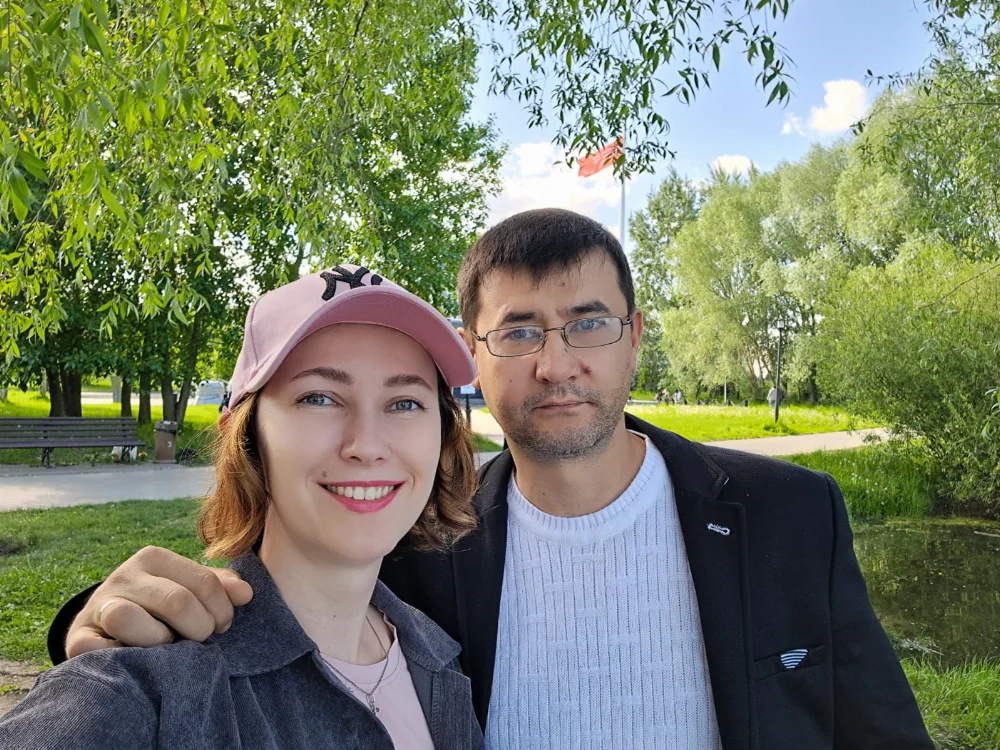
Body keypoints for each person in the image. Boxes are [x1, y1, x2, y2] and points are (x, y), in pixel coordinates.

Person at [43, 210, 932, 749]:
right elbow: (277, 589)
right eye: (519, 331)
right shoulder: (422, 543)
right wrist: (98, 619)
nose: (557, 363)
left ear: (634, 338)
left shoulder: (790, 513)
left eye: (589, 323)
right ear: (472, 355)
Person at [1, 265, 484, 749]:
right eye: (319, 398)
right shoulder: (151, 687)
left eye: (404, 403)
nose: (367, 445)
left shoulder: (437, 656)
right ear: (244, 435)